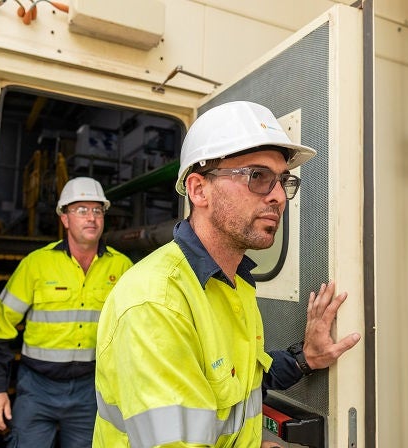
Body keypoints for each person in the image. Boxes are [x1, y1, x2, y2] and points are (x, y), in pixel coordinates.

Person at [93, 101, 361, 447]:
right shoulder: (156, 302)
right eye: (258, 176)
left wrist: (305, 358)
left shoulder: (235, 282)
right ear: (198, 189)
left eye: (283, 181)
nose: (279, 196)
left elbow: (239, 382)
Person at [0, 176, 134, 448]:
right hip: (37, 390)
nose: (92, 218)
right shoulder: (36, 264)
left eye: (98, 210)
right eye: (81, 210)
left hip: (91, 389)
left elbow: (136, 335)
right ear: (64, 218)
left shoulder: (122, 268)